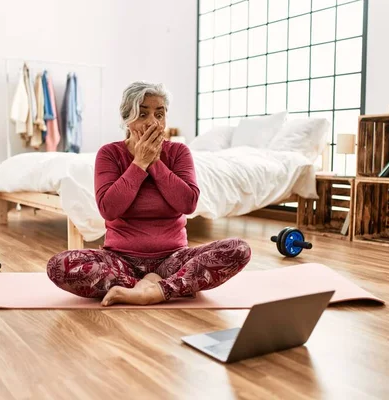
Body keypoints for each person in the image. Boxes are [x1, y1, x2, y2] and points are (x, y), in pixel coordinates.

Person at [46, 81, 252, 306]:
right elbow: (109, 209)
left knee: (238, 249)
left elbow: (188, 203)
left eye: (159, 114)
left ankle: (155, 291)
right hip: (120, 260)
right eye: (143, 114)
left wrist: (155, 162)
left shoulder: (178, 152)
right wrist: (139, 162)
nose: (153, 122)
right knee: (58, 266)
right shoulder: (110, 154)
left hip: (173, 259)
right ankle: (150, 285)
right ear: (127, 118)